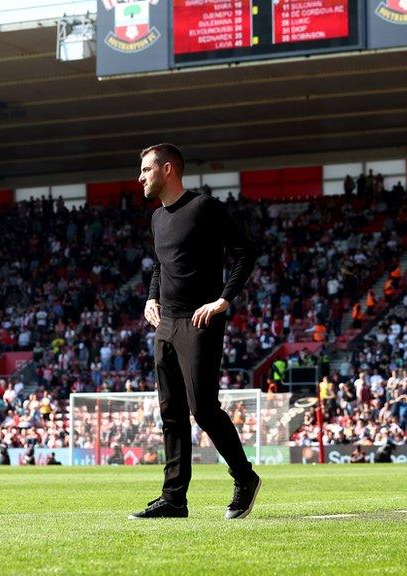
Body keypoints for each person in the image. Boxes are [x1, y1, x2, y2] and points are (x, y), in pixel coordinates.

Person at [130, 143, 261, 521]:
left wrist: (223, 299)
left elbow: (245, 252)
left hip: (199, 320)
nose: (140, 177)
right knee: (170, 413)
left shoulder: (204, 207)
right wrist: (150, 299)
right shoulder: (156, 219)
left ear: (168, 169)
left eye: (146, 170)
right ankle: (174, 498)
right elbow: (160, 266)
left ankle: (244, 477)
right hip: (165, 323)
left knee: (202, 407)